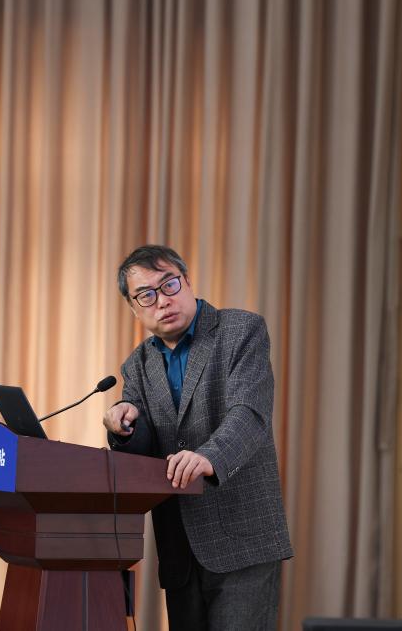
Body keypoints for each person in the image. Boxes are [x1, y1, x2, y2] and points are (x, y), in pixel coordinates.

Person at [103, 244, 292, 629]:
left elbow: (250, 414)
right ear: (134, 308)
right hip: (180, 546)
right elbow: (143, 447)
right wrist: (123, 427)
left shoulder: (241, 330)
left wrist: (209, 456)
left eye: (169, 285)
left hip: (242, 538)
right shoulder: (136, 365)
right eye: (146, 295)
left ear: (187, 282)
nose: (163, 301)